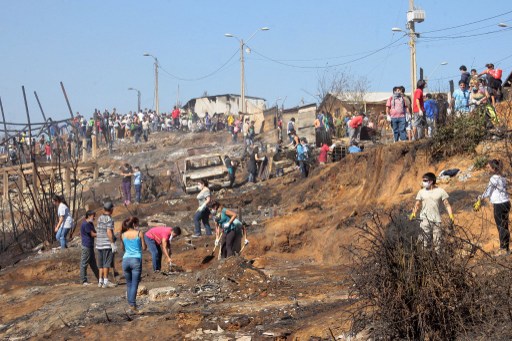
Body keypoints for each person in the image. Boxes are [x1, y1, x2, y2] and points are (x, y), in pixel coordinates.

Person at [474, 159, 511, 255]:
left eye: (488, 167)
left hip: (499, 204)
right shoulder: (502, 177)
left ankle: (503, 249)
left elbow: (488, 191)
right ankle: (506, 249)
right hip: (506, 203)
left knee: (501, 227)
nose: (487, 169)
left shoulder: (494, 178)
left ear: (494, 168)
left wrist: (480, 198)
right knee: (505, 225)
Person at [409, 172, 454, 250]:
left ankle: (437, 259)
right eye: (423, 180)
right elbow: (417, 204)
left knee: (438, 244)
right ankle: (425, 259)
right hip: (424, 220)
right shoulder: (421, 192)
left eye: (425, 181)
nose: (424, 182)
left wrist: (451, 215)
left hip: (437, 221)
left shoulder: (440, 191)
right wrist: (413, 213)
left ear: (431, 181)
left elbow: (447, 205)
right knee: (424, 243)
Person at [121, 217, 147, 312]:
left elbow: (123, 248)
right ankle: (132, 305)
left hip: (125, 260)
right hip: (136, 259)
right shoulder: (139, 233)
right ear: (133, 224)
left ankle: (131, 304)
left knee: (129, 284)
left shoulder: (123, 235)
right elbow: (144, 247)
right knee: (135, 283)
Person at [96, 202, 117, 288]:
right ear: (111, 210)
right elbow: (109, 231)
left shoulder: (100, 218)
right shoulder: (109, 219)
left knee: (100, 264)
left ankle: (100, 281)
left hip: (99, 244)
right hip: (106, 244)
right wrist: (112, 243)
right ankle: (106, 282)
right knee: (106, 263)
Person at [80, 210, 99, 285]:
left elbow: (95, 232)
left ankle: (100, 278)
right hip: (86, 245)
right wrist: (103, 234)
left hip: (90, 245)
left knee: (93, 264)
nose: (94, 217)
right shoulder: (86, 224)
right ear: (89, 216)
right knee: (84, 263)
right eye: (93, 216)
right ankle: (83, 280)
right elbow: (92, 234)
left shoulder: (90, 223)